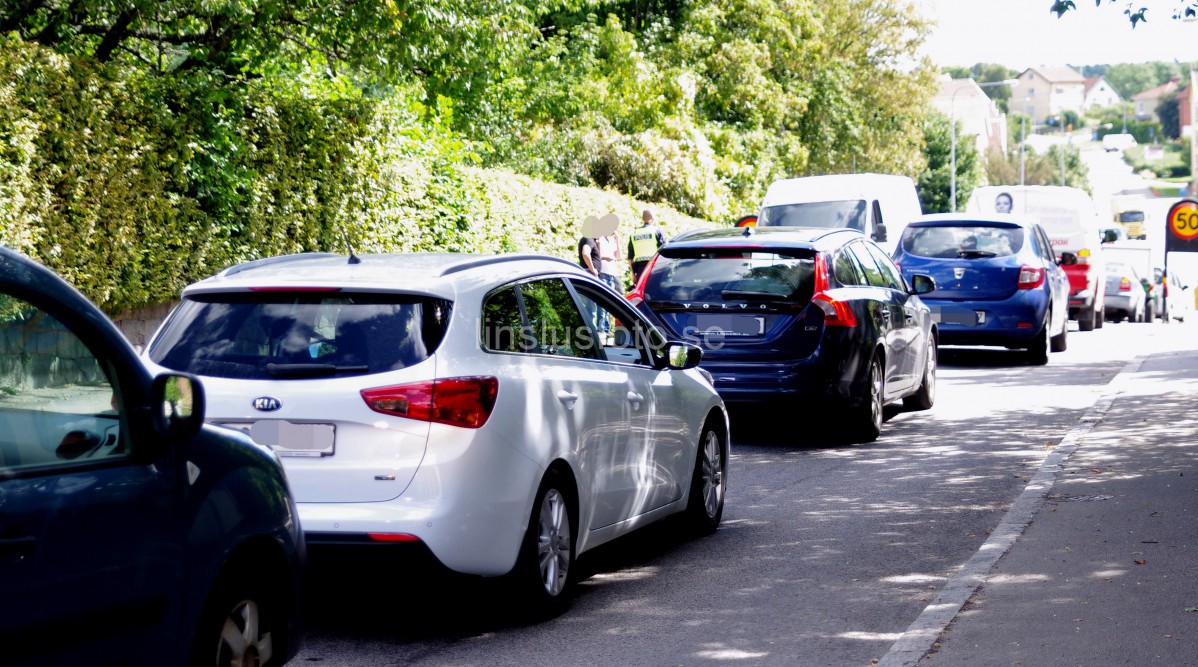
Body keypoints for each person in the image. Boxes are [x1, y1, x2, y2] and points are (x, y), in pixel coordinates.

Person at [628, 209, 666, 284]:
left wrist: (633, 274)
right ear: (653, 219)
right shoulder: (656, 231)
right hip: (654, 267)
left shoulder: (634, 233)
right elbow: (663, 251)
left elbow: (630, 259)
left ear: (642, 219)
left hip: (640, 269)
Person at [597, 229, 623, 295]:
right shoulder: (600, 239)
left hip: (611, 272)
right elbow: (597, 256)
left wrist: (617, 240)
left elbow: (618, 256)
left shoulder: (611, 240)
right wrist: (606, 258)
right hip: (603, 271)